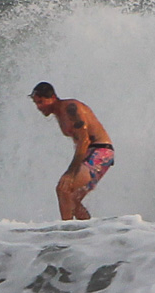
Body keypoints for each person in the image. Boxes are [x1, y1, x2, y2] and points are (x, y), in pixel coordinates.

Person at [29, 81, 113, 220]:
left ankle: (66, 233)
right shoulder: (59, 113)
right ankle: (90, 234)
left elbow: (84, 140)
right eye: (36, 103)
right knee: (72, 199)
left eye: (41, 102)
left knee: (64, 189)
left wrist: (70, 172)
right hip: (93, 153)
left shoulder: (70, 108)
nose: (39, 107)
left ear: (53, 98)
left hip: (101, 151)